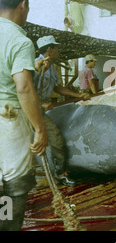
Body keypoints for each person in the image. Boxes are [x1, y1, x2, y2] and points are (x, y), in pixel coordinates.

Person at [0, 0, 48, 231]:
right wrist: (39, 128)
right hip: (7, 117)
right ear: (23, 6)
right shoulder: (19, 40)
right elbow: (24, 88)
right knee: (15, 182)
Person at [34, 35, 90, 186]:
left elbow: (58, 88)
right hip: (27, 110)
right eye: (57, 48)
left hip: (38, 111)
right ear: (50, 50)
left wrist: (79, 95)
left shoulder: (51, 68)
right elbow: (23, 89)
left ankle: (60, 174)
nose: (59, 51)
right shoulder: (33, 65)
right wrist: (40, 103)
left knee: (56, 139)